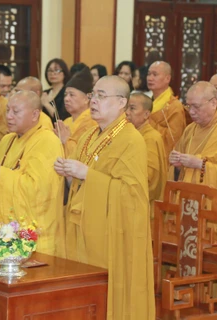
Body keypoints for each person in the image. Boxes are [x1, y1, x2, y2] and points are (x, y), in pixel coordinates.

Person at [54, 75, 155, 320]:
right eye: (93, 95)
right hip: (83, 225)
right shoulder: (89, 135)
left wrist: (87, 174)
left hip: (111, 232)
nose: (94, 101)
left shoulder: (131, 140)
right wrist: (69, 174)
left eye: (101, 96)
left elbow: (133, 196)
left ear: (121, 103)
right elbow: (78, 182)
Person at [0, 90, 64, 256]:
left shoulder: (48, 141)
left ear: (35, 115)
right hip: (3, 231)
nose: (9, 116)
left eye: (16, 112)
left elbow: (40, 190)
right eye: (7, 110)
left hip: (33, 236)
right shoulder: (8, 139)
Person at [168, 81, 217, 214]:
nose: (191, 112)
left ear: (213, 103)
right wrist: (176, 165)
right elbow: (179, 171)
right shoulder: (190, 130)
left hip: (212, 207)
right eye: (188, 106)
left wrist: (199, 164)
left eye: (196, 107)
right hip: (187, 200)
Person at [126, 92, 167, 217]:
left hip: (143, 208)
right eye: (126, 108)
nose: (127, 112)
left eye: (132, 108)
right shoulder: (129, 134)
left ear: (146, 114)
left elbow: (149, 177)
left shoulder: (150, 138)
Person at [147, 61, 186, 162]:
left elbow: (173, 141)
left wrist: (148, 123)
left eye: (155, 74)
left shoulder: (174, 106)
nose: (150, 78)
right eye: (149, 74)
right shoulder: (147, 102)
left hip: (163, 161)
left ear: (167, 78)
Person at [54, 67, 97, 157]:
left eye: (72, 95)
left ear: (86, 99)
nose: (66, 99)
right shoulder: (66, 122)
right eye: (65, 95)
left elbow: (86, 156)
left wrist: (66, 140)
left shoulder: (92, 122)